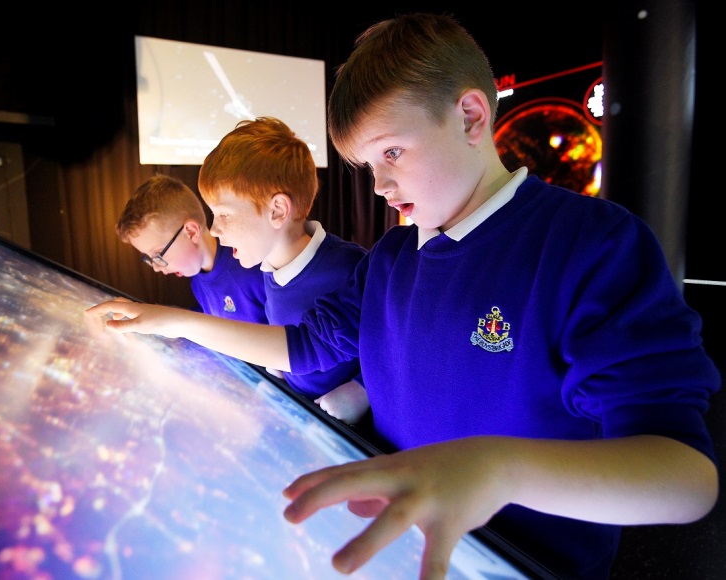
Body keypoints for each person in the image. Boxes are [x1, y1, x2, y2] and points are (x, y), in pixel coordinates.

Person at [86, 13, 720, 580]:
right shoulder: (390, 257)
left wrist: (497, 469)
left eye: (392, 151)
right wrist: (171, 321)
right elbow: (305, 346)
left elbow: (683, 475)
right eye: (367, 166)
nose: (381, 183)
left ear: (471, 115)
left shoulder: (591, 244)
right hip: (394, 550)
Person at [197, 116, 369, 424]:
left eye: (223, 214)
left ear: (277, 210)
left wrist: (361, 390)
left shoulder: (351, 268)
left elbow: (392, 345)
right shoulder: (268, 270)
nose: (214, 230)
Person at [115, 174, 268, 324]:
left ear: (191, 232)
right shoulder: (197, 280)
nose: (156, 268)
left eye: (158, 255)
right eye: (149, 258)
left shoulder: (251, 271)